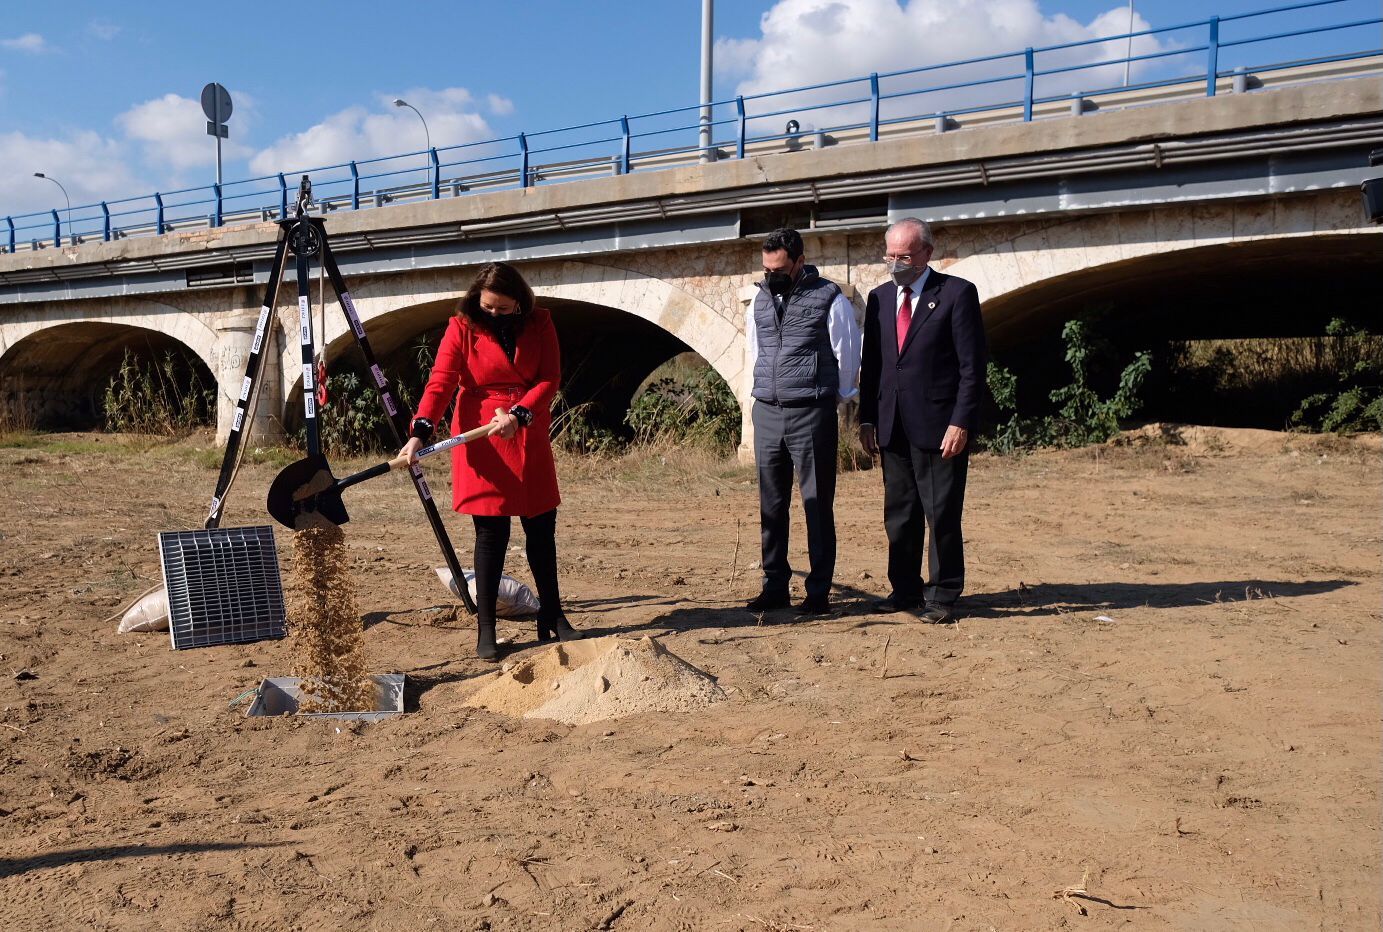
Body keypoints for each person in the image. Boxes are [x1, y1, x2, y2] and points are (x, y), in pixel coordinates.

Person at [399, 262, 581, 661]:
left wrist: (518, 415)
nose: (493, 314)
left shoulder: (541, 323)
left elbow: (549, 379)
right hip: (481, 436)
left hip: (526, 431)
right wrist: (419, 432)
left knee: (540, 528)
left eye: (502, 309)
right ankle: (486, 628)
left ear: (520, 302)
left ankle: (552, 614)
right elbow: (441, 381)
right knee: (491, 534)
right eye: (487, 308)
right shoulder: (462, 326)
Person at [859, 218, 987, 623]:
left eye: (905, 257)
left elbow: (972, 367)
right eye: (890, 256)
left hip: (939, 426)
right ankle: (905, 589)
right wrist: (866, 419)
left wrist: (961, 421)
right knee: (900, 513)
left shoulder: (956, 294)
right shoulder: (879, 298)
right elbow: (873, 365)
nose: (896, 264)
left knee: (942, 512)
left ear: (927, 253)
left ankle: (943, 593)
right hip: (892, 424)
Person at [744, 228, 861, 616]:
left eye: (778, 268)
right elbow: (754, 352)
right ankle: (774, 586)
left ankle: (818, 592)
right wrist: (757, 398)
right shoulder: (758, 300)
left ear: (799, 261)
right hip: (768, 411)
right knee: (771, 505)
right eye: (766, 268)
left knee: (816, 505)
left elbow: (847, 354)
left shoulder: (829, 297)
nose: (771, 275)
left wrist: (834, 399)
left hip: (811, 411)